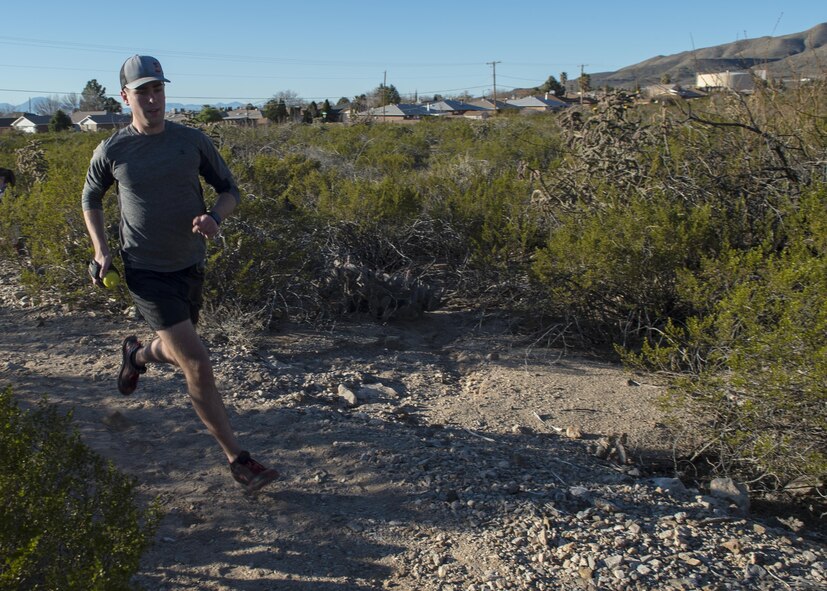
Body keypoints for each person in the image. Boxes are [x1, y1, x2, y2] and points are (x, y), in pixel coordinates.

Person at [81, 55, 278, 493]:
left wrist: (215, 216)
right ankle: (239, 461)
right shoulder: (112, 149)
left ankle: (136, 356)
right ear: (125, 97)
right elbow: (90, 197)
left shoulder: (192, 141)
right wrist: (101, 249)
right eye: (143, 92)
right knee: (198, 362)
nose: (152, 100)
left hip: (189, 264)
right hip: (145, 270)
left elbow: (229, 190)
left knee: (178, 350)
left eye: (158, 90)